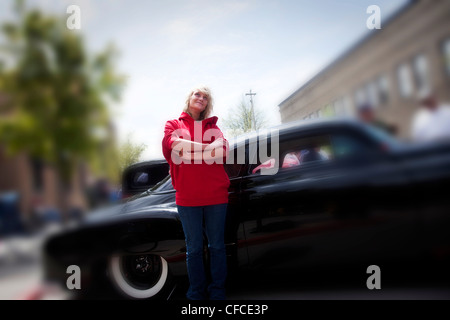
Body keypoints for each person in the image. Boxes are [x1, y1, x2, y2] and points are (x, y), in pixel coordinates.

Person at [161, 86, 230, 300]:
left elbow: (222, 151)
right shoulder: (174, 124)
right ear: (189, 98)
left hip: (216, 196)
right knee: (194, 249)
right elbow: (175, 146)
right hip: (187, 197)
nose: (201, 98)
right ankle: (196, 294)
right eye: (197, 94)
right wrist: (207, 148)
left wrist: (191, 149)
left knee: (217, 246)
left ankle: (217, 291)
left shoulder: (214, 128)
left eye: (205, 97)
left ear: (208, 104)